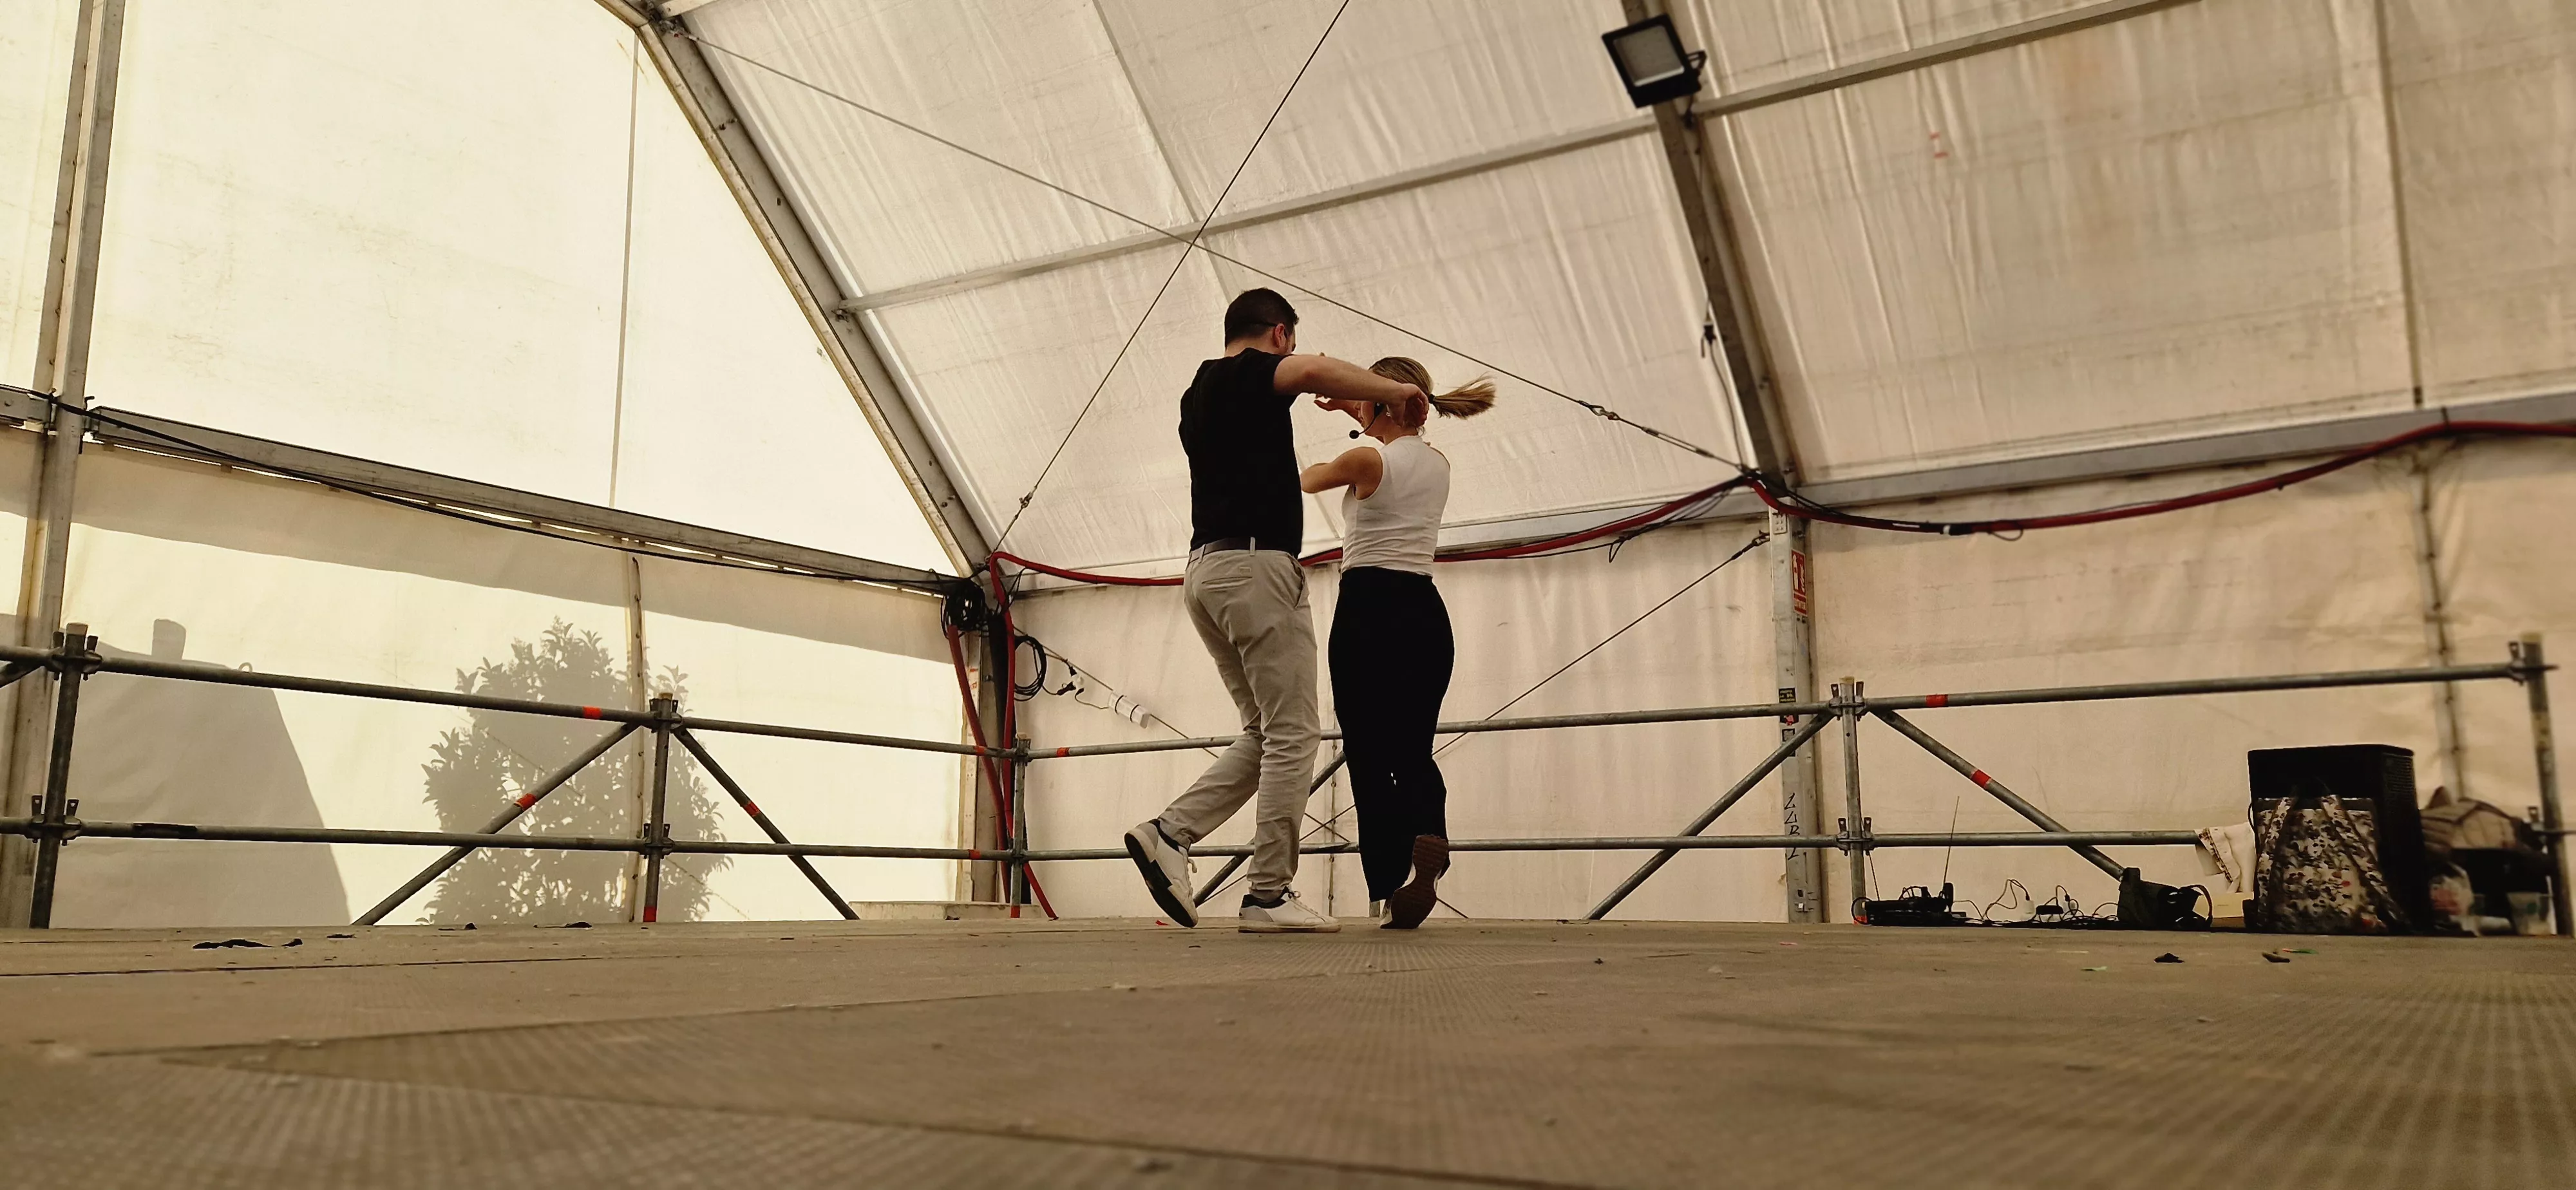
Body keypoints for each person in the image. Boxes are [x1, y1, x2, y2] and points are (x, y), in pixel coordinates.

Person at [1124, 290, 1426, 934]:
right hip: (1257, 569)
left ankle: (1169, 833)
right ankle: (1267, 893)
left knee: (1265, 733)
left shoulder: (1198, 393)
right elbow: (1311, 370)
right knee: (1294, 734)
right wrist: (1392, 393)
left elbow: (1302, 382)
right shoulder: (1254, 372)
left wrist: (1356, 398)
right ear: (1281, 335)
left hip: (1205, 571)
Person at [1298, 357, 1495, 929]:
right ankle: (1429, 836)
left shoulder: (1367, 458)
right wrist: (1360, 410)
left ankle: (1387, 883)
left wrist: (1354, 414)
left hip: (1369, 610)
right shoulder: (1438, 462)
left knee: (1366, 752)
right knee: (1412, 749)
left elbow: (1307, 477)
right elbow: (1385, 444)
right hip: (1425, 612)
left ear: (1380, 398)